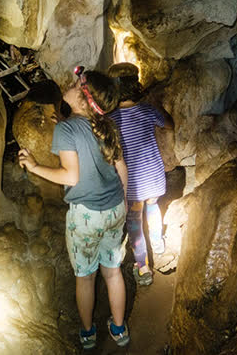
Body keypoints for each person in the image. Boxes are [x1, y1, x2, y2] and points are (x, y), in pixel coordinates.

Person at [18, 67, 131, 349]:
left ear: (83, 98)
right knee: (113, 272)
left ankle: (88, 333)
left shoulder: (66, 129)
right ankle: (119, 330)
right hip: (115, 207)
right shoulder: (106, 125)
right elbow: (122, 169)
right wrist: (124, 204)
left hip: (86, 217)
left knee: (85, 277)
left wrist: (34, 166)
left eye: (76, 83)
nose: (68, 84)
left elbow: (70, 177)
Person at [106, 63, 174, 287]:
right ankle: (159, 244)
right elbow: (169, 125)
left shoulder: (112, 119)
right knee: (153, 206)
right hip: (152, 173)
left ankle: (143, 267)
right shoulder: (147, 110)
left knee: (135, 219)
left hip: (132, 180)